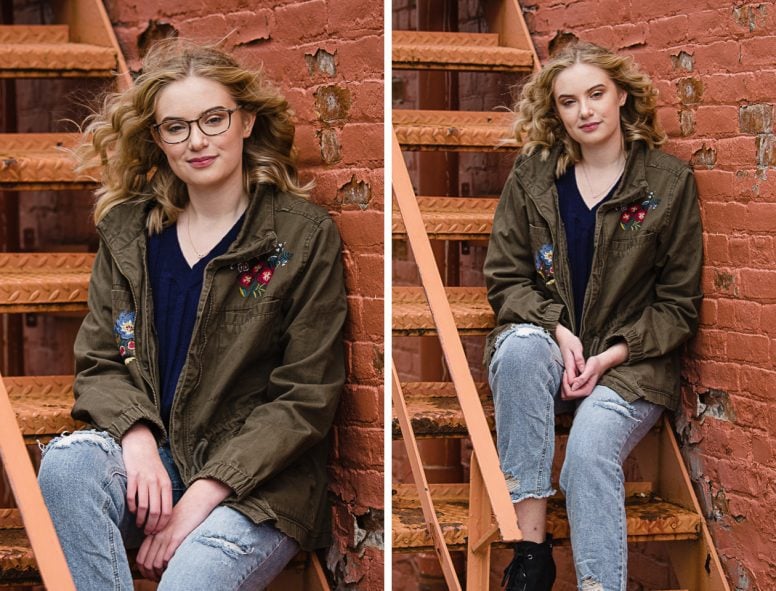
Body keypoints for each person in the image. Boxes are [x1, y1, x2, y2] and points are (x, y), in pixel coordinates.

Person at [37, 39, 346, 590]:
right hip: (152, 468)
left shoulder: (299, 235)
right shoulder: (132, 232)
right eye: (176, 127)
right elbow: (102, 356)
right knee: (68, 462)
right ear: (157, 138)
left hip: (257, 489)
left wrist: (202, 496)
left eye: (213, 119)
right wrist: (134, 436)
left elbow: (305, 395)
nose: (197, 141)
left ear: (246, 122)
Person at [484, 41, 702, 591]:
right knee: (519, 348)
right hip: (551, 355)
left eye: (597, 94)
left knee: (585, 454)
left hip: (630, 365)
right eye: (568, 101)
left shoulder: (666, 184)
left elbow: (678, 307)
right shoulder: (533, 177)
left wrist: (611, 354)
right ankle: (531, 553)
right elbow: (505, 279)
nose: (585, 111)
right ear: (554, 110)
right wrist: (556, 327)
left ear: (622, 95)